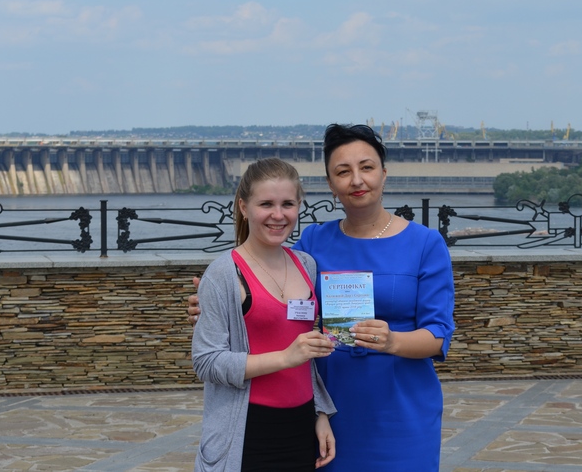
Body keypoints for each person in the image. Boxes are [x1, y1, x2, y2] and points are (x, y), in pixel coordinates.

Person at [189, 124, 455, 471]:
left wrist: (393, 341)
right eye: (343, 172)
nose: (356, 180)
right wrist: (215, 304)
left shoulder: (425, 244)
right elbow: (272, 292)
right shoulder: (314, 244)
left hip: (400, 407)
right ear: (330, 184)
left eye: (367, 167)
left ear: (384, 173)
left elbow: (438, 336)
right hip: (329, 406)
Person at [191, 157, 337, 471]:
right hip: (247, 432)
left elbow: (306, 357)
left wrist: (320, 412)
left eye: (288, 204)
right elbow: (206, 362)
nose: (278, 215)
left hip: (300, 429)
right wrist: (284, 357)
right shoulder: (223, 274)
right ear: (244, 207)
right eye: (266, 204)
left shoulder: (306, 265)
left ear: (299, 207)